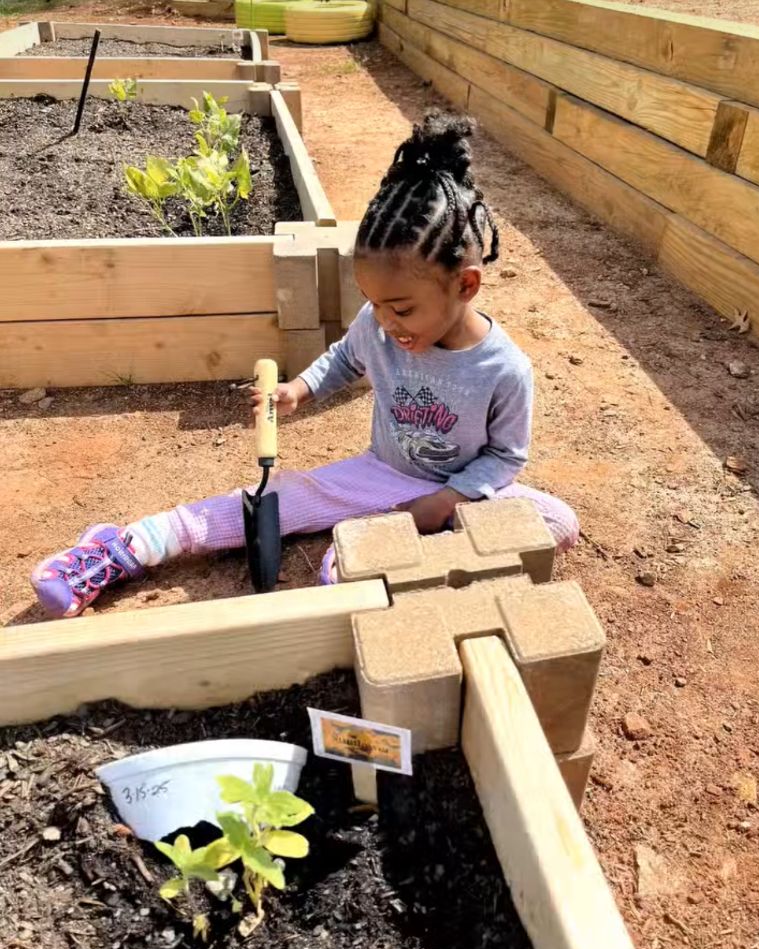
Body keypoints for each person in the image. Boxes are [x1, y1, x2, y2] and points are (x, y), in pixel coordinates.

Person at [32, 111, 579, 619]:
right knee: (279, 498)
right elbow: (344, 358)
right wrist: (299, 388)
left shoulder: (503, 369)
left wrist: (446, 501)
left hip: (459, 493)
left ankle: (384, 550)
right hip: (378, 475)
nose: (385, 322)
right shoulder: (377, 324)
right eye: (375, 304)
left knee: (557, 521)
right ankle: (126, 545)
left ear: (466, 285)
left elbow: (505, 456)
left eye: (402, 309)